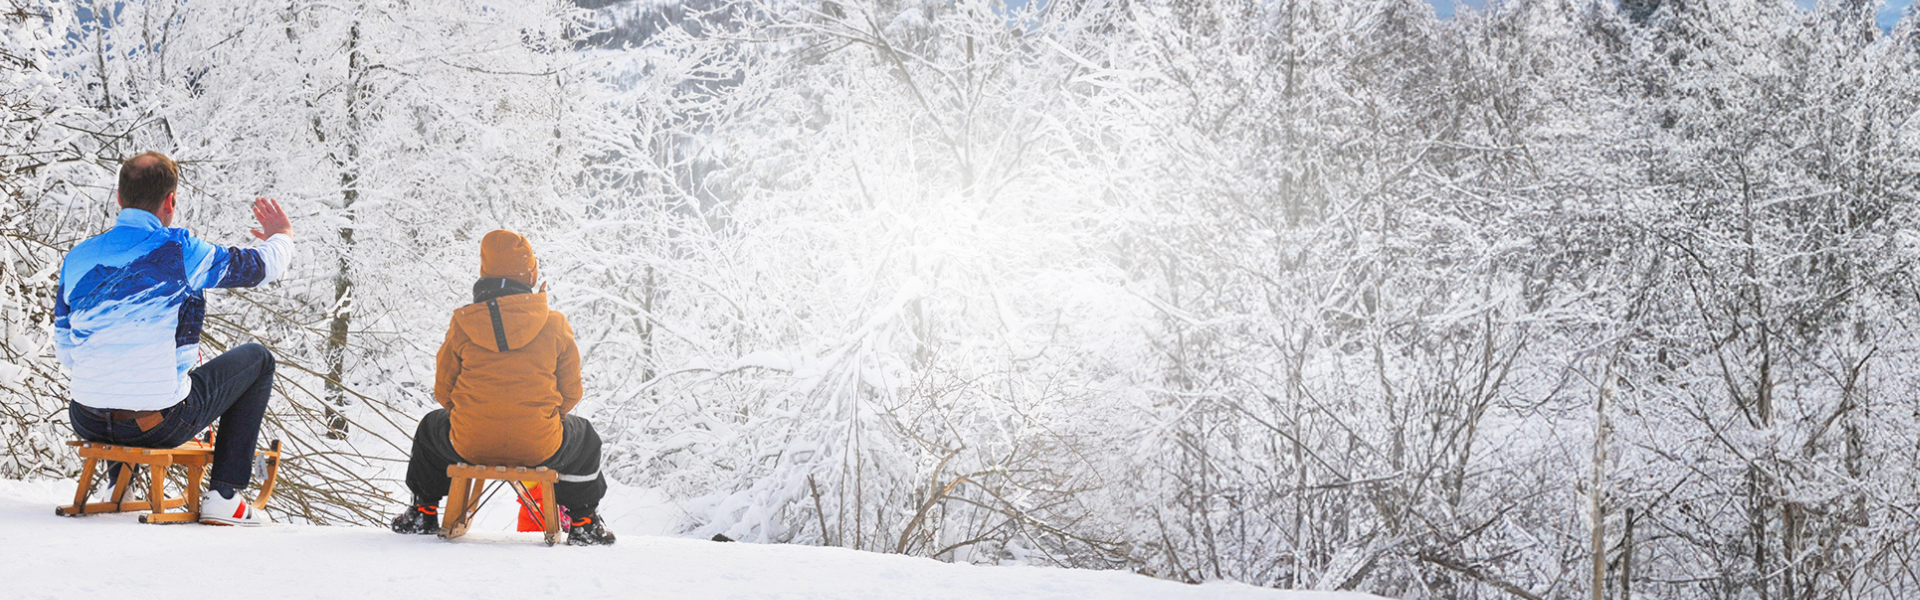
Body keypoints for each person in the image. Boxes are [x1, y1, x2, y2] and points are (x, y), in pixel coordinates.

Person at [55, 151, 296, 526]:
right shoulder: (180, 252)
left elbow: (67, 352)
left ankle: (117, 483)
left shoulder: (78, 258)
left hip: (85, 417)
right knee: (258, 359)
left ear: (119, 197)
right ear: (170, 201)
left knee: (116, 358)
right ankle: (225, 496)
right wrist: (282, 235)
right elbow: (260, 267)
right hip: (159, 424)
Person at [390, 229, 615, 546]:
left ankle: (422, 511)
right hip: (541, 443)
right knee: (586, 437)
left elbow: (443, 391)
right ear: (531, 274)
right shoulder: (554, 324)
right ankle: (584, 521)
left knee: (430, 426)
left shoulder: (463, 324)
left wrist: (473, 417)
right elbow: (572, 393)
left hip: (468, 442)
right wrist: (548, 416)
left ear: (484, 276)